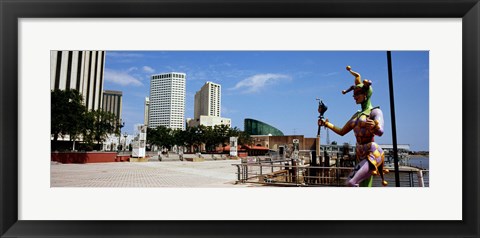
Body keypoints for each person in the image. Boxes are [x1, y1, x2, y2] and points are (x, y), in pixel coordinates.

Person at [318, 66, 389, 187]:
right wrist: (326, 123)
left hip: (372, 151)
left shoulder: (375, 112)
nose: (354, 96)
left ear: (366, 94)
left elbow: (381, 131)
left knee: (352, 182)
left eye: (357, 94)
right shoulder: (356, 115)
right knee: (351, 183)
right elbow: (341, 131)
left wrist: (375, 127)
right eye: (354, 94)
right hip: (359, 152)